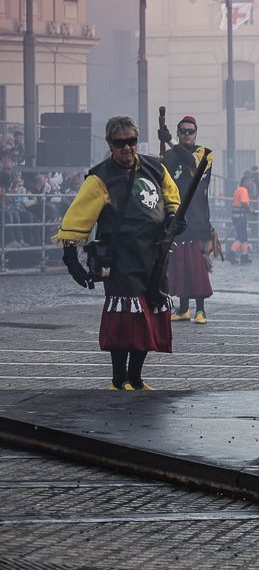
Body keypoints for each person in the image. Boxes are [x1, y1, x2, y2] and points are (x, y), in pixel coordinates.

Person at [54, 116, 180, 390]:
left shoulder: (155, 168)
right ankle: (118, 379)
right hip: (122, 258)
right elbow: (77, 218)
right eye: (120, 143)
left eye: (131, 141)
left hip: (154, 256)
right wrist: (72, 261)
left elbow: (172, 196)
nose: (127, 147)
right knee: (125, 320)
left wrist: (172, 217)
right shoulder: (100, 178)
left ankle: (136, 378)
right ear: (110, 144)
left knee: (149, 315)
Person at [161, 116, 214, 324]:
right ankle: (183, 309)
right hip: (177, 217)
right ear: (178, 132)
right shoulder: (170, 155)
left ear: (196, 134)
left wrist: (170, 141)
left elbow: (193, 164)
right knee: (180, 266)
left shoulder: (204, 153)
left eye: (190, 131)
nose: (186, 134)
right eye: (183, 131)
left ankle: (200, 310)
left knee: (197, 268)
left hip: (197, 217)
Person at [230, 171, 253, 264]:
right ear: (244, 182)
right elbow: (244, 202)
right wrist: (250, 210)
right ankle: (231, 254)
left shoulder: (238, 189)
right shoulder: (243, 190)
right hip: (240, 216)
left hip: (237, 216)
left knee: (244, 237)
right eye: (248, 181)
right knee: (241, 236)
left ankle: (244, 256)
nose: (250, 184)